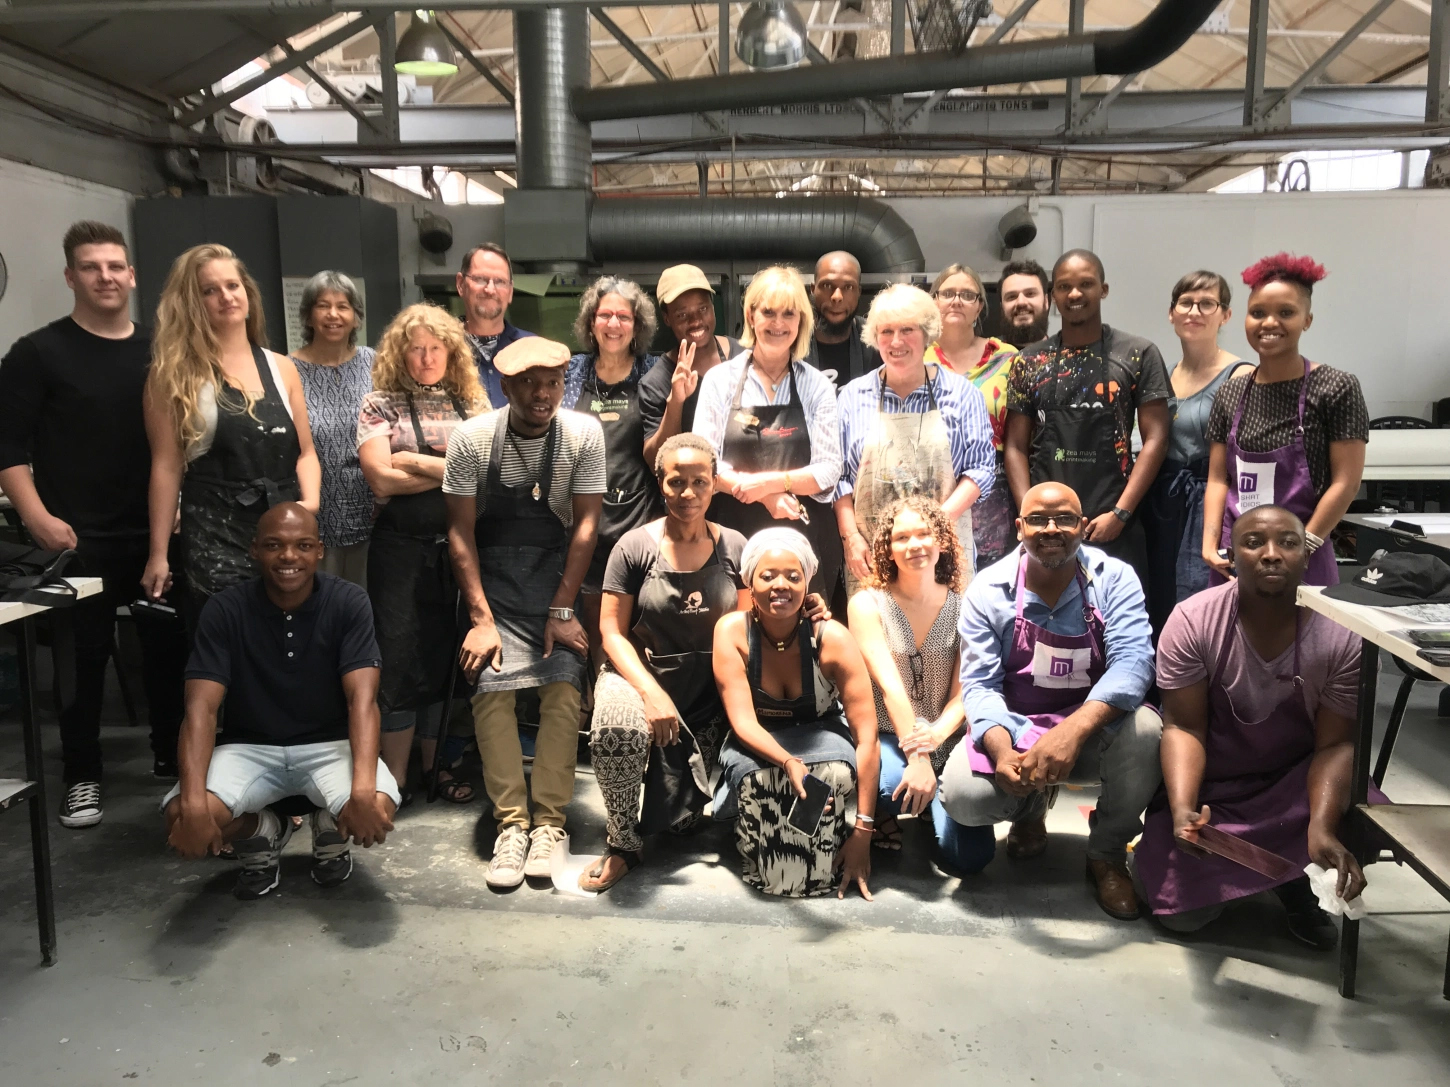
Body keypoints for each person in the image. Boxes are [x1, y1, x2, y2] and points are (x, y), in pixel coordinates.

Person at [0, 221, 189, 827]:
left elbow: (187, 438)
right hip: (78, 538)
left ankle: (173, 760)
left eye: (114, 266)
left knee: (169, 650)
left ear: (132, 275)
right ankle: (81, 774)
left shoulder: (164, 350)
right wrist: (36, 518)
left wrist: (178, 506)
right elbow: (7, 447)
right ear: (70, 277)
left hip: (158, 533)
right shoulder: (38, 353)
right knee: (82, 662)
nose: (105, 277)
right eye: (90, 267)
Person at [1137, 505, 1384, 948]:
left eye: (1287, 543)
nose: (1271, 553)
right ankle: (1267, 872)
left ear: (1306, 556)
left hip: (1294, 788)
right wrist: (1183, 809)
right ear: (1232, 556)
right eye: (1254, 543)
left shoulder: (1342, 633)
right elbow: (1184, 728)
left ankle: (1296, 883)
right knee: (1183, 918)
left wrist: (1321, 825)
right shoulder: (1193, 621)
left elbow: (1335, 746)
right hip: (1218, 788)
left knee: (1353, 819)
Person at [940, 482, 1162, 917]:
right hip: (1019, 730)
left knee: (1148, 732)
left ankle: (1107, 853)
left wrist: (1072, 732)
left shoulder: (1114, 579)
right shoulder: (988, 589)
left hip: (1092, 730)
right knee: (964, 796)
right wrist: (1002, 751)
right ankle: (1030, 809)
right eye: (1038, 519)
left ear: (1083, 525)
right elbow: (980, 685)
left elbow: (1134, 664)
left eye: (1064, 518)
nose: (1051, 528)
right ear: (1019, 527)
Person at [162, 503, 401, 899]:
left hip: (329, 746)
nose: (289, 556)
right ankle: (261, 831)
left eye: (303, 545)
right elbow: (200, 709)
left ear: (319, 551)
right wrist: (194, 806)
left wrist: (360, 793)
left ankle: (330, 830)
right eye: (274, 545)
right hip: (249, 748)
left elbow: (362, 700)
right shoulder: (225, 609)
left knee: (376, 804)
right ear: (254, 550)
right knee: (181, 815)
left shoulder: (348, 602)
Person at [443, 336, 605, 890]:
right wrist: (480, 619)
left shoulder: (583, 433)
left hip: (555, 584)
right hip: (491, 587)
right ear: (506, 387)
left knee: (563, 690)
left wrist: (563, 607)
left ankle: (550, 823)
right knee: (490, 689)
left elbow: (586, 525)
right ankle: (511, 823)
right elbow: (459, 532)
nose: (542, 394)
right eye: (529, 384)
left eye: (553, 383)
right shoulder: (471, 438)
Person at [141, 244, 320, 621]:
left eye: (232, 285)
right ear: (192, 304)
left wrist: (311, 503)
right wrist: (158, 553)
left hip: (283, 534)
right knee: (226, 637)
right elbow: (166, 467)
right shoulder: (173, 375)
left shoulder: (282, 368)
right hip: (214, 537)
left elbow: (305, 452)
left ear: (247, 293)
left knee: (289, 641)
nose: (226, 296)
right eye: (210, 290)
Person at [357, 303, 488, 803]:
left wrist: (412, 460)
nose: (427, 358)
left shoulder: (472, 403)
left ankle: (437, 767)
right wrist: (453, 469)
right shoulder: (379, 403)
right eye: (416, 349)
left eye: (436, 348)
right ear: (400, 353)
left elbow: (488, 473)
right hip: (399, 552)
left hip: (459, 547)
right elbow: (380, 479)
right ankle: (395, 776)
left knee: (444, 656)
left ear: (451, 352)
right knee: (397, 657)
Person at [713, 528, 879, 899]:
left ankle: (822, 836)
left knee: (829, 775)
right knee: (766, 784)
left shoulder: (832, 638)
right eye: (767, 576)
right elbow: (743, 723)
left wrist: (863, 832)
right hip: (759, 742)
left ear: (807, 583)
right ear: (749, 582)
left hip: (821, 737)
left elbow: (867, 737)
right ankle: (770, 834)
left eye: (793, 576)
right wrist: (788, 762)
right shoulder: (732, 632)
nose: (780, 585)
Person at [1002, 249, 1171, 595]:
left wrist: (1121, 513)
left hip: (1114, 525)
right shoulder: (1029, 361)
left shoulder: (1138, 353)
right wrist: (1031, 518)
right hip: (1047, 532)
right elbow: (1015, 446)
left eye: (1086, 284)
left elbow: (1156, 438)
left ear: (1103, 289)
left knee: (1116, 617)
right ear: (1053, 296)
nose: (1075, 293)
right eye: (1064, 286)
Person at [1202, 254, 1367, 588]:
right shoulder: (1230, 393)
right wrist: (1208, 543)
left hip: (1306, 552)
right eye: (1258, 313)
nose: (1269, 323)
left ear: (1307, 320)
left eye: (1286, 313)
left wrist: (1303, 547)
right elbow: (1219, 479)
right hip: (1236, 556)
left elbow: (1346, 482)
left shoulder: (1335, 387)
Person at [848, 497, 992, 872]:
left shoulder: (966, 606)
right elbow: (890, 687)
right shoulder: (866, 604)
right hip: (891, 736)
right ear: (887, 549)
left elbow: (966, 690)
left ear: (941, 541)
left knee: (970, 859)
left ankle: (932, 803)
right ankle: (899, 804)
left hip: (947, 736)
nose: (914, 545)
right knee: (891, 789)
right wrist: (919, 756)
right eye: (902, 538)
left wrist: (937, 736)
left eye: (923, 534)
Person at [692, 265, 844, 601]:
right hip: (732, 536)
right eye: (768, 312)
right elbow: (704, 463)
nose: (778, 323)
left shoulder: (816, 386)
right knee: (736, 626)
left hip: (802, 538)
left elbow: (829, 469)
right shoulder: (720, 380)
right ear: (751, 315)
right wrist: (766, 497)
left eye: (789, 313)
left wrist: (767, 484)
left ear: (801, 321)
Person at [835, 284, 994, 595]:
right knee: (874, 625)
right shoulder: (852, 396)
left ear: (927, 333)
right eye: (886, 331)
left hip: (943, 551)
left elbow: (981, 470)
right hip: (873, 557)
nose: (896, 342)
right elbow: (838, 478)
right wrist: (850, 538)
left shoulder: (963, 394)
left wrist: (934, 527)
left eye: (907, 329)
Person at [562, 277, 666, 669]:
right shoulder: (572, 372)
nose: (614, 324)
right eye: (605, 315)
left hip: (641, 522)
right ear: (591, 323)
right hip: (584, 524)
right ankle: (596, 704)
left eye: (624, 316)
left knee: (640, 629)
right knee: (594, 633)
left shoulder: (655, 371)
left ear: (637, 326)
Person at [1142, 272, 1253, 639]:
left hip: (1210, 504)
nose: (1194, 311)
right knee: (1158, 598)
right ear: (1171, 313)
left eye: (1207, 304)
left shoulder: (1240, 376)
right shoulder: (1164, 374)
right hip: (1162, 502)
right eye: (1186, 303)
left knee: (1201, 604)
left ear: (1226, 315)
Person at [926, 264, 1022, 566]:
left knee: (992, 579)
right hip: (932, 488)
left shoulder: (1007, 358)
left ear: (980, 305)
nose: (957, 301)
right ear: (934, 301)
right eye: (947, 293)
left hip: (993, 492)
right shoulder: (917, 357)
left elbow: (1021, 432)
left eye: (967, 295)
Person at [290, 270, 375, 587]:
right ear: (308, 315)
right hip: (314, 514)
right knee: (318, 604)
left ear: (356, 317)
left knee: (365, 605)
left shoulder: (376, 364)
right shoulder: (286, 370)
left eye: (343, 306)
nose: (333, 315)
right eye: (323, 305)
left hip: (373, 515)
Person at [639, 264, 744, 463]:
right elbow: (655, 462)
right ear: (667, 318)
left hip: (747, 480)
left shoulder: (745, 356)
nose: (696, 321)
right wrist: (676, 401)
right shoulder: (656, 382)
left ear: (713, 306)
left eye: (702, 309)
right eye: (682, 315)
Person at [456, 242, 535, 409]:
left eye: (500, 281)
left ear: (510, 291)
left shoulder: (532, 349)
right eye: (480, 279)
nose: (490, 290)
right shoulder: (439, 350)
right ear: (460, 284)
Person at [802, 251, 881, 390]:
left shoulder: (877, 341)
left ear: (858, 292)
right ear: (813, 290)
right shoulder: (792, 340)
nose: (837, 297)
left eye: (848, 287)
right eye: (827, 285)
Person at [996, 259, 1051, 349]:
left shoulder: (1065, 355)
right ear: (1002, 307)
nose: (1021, 302)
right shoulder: (986, 356)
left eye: (1030, 294)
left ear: (1046, 302)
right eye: (1012, 297)